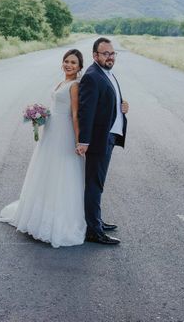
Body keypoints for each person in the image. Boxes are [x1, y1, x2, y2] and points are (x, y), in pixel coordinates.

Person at [0, 49, 86, 248]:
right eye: (66, 61)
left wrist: (79, 141)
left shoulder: (74, 86)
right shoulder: (60, 82)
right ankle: (40, 214)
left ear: (80, 67)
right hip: (50, 131)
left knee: (60, 171)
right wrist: (40, 115)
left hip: (64, 133)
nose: (69, 65)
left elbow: (74, 114)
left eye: (73, 62)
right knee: (45, 170)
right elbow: (55, 107)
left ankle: (58, 221)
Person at [76, 37, 129, 245]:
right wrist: (84, 141)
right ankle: (94, 231)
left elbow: (108, 100)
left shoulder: (106, 73)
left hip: (108, 135)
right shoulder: (92, 76)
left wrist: (122, 106)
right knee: (94, 185)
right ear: (95, 55)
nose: (110, 57)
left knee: (97, 183)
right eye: (105, 53)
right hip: (98, 140)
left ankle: (95, 221)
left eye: (112, 53)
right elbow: (86, 112)